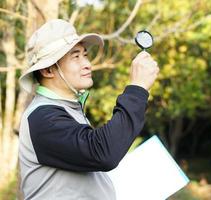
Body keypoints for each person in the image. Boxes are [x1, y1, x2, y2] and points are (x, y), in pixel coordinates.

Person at [18, 19, 159, 200]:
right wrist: (137, 88)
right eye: (76, 57)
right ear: (48, 70)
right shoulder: (42, 117)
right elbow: (102, 152)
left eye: (85, 55)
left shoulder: (68, 109)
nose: (87, 64)